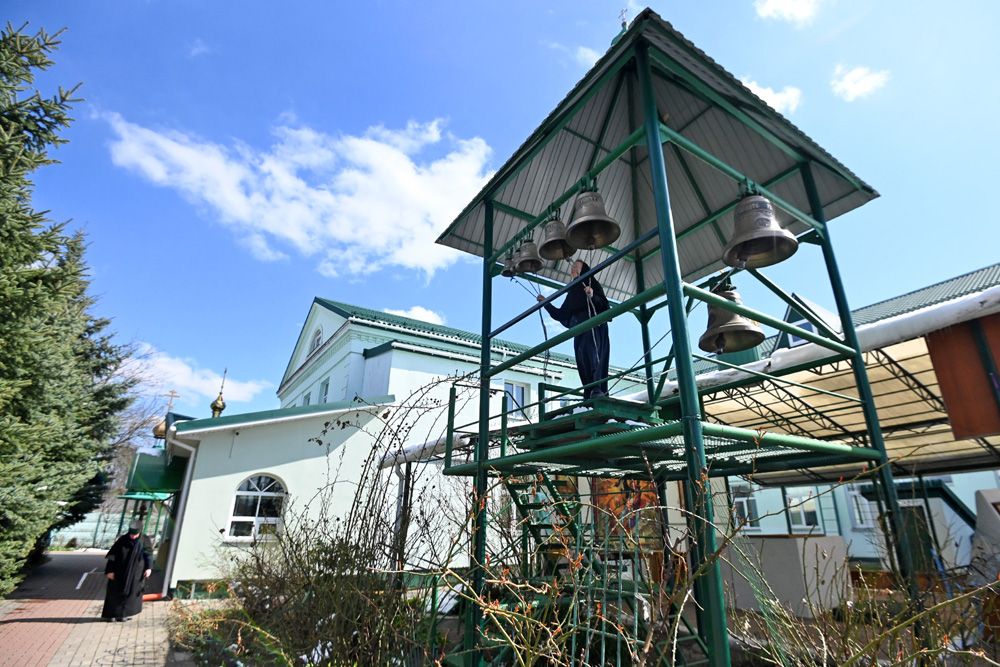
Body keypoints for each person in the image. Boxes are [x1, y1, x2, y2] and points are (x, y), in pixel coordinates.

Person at [537, 259, 610, 399]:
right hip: (579, 329)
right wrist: (546, 303)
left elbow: (604, 305)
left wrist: (592, 295)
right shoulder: (573, 290)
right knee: (582, 359)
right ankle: (589, 390)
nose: (573, 268)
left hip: (593, 325)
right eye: (572, 267)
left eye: (577, 266)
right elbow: (561, 314)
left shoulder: (592, 283)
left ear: (584, 269)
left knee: (593, 355)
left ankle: (597, 388)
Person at [101, 519, 153, 622]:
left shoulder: (145, 540)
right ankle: (111, 615)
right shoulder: (122, 540)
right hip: (119, 571)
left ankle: (124, 614)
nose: (132, 537)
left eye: (135, 535)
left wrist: (149, 568)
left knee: (131, 594)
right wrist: (109, 570)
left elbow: (148, 555)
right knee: (114, 593)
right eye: (131, 534)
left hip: (136, 573)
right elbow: (112, 555)